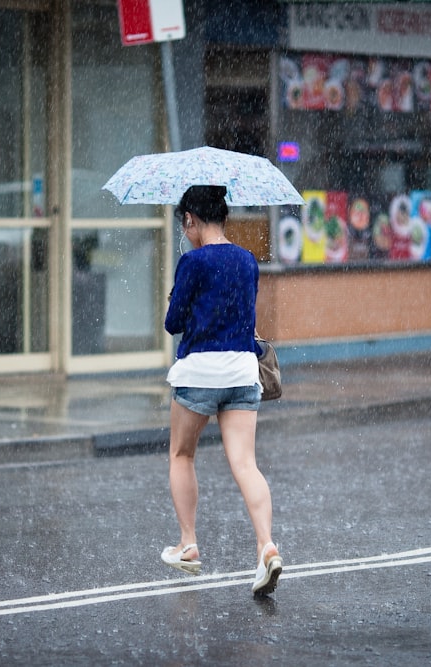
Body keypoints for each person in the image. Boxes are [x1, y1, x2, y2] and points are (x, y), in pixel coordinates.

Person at [160, 185, 283, 597]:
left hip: (199, 372)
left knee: (182, 453)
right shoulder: (247, 261)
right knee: (246, 464)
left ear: (191, 219)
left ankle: (188, 543)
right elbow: (240, 315)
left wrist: (177, 296)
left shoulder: (191, 262)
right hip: (242, 372)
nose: (185, 230)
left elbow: (173, 323)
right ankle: (266, 546)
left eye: (184, 223)